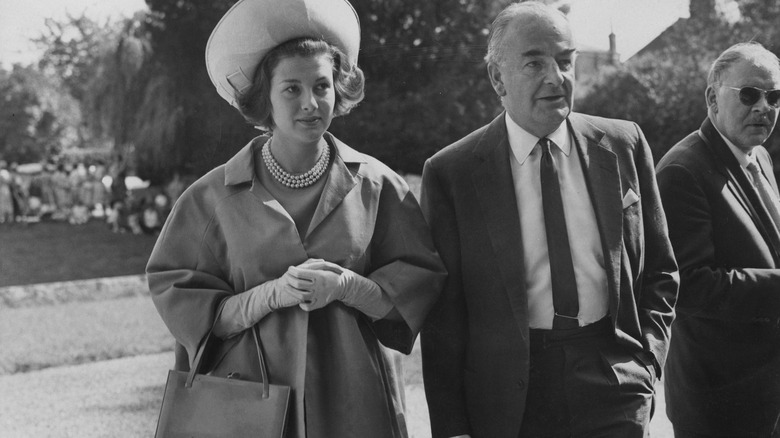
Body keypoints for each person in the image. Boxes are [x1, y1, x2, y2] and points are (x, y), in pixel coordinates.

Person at [145, 0, 446, 437]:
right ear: (264, 97)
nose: (310, 103)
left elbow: (409, 297)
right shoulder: (210, 199)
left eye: (322, 86)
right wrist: (270, 295)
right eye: (292, 89)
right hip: (249, 400)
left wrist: (346, 286)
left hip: (354, 398)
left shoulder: (378, 186)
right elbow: (197, 317)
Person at [419, 3, 679, 437]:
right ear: (497, 79)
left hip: (614, 380)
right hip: (511, 401)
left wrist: (646, 365)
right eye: (535, 63)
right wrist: (453, 428)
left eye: (564, 61)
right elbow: (445, 319)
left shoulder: (622, 143)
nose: (556, 78)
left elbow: (660, 271)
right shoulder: (453, 172)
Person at [656, 42, 780, 437]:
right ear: (712, 97)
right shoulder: (682, 170)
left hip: (765, 391)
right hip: (721, 401)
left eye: (775, 96)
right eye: (749, 95)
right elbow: (688, 285)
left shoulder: (757, 155)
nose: (764, 107)